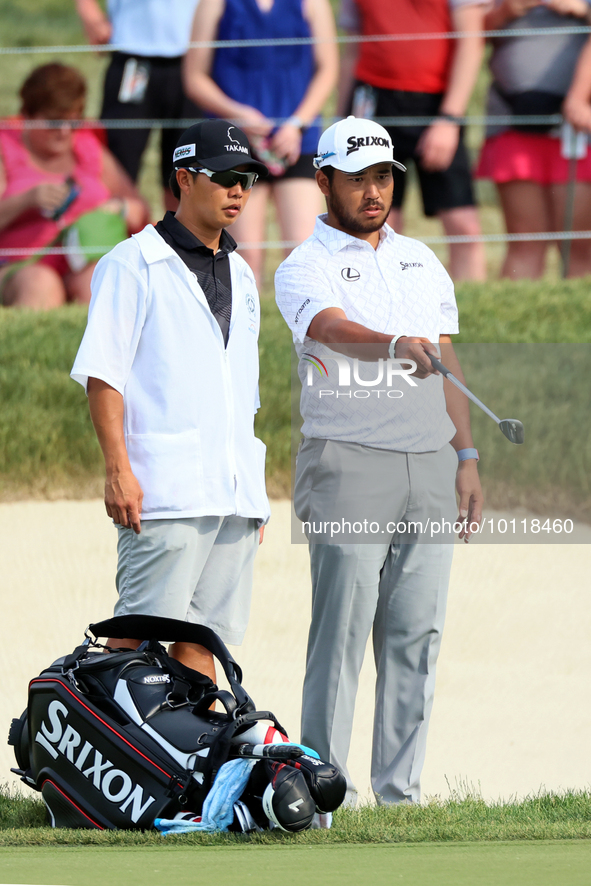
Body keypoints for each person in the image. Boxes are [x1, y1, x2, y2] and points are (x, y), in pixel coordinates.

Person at [275, 116, 483, 806]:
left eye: (384, 176)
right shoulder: (304, 264)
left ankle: (400, 797)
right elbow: (329, 327)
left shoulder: (421, 258)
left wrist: (466, 455)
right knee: (338, 635)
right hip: (348, 462)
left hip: (427, 463)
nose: (373, 190)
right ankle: (324, 798)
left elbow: (445, 357)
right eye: (358, 176)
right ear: (323, 180)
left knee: (414, 635)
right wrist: (394, 342)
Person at [71, 120, 271, 678]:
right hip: (163, 491)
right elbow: (102, 377)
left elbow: (242, 389)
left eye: (248, 179)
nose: (239, 191)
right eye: (226, 177)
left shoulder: (243, 271)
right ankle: (97, 759)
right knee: (135, 641)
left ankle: (189, 765)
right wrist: (117, 472)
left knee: (204, 644)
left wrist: (250, 488)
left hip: (233, 495)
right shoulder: (130, 264)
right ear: (184, 178)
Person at [183, 0, 338, 286]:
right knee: (245, 256)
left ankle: (304, 329)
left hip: (296, 142)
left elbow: (328, 69)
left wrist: (296, 124)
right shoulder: (213, 4)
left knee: (304, 253)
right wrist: (237, 114)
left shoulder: (313, 3)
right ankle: (245, 327)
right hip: (234, 146)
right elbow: (194, 78)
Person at [338, 0, 487, 281]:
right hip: (372, 103)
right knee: (377, 225)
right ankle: (383, 308)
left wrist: (449, 119)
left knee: (463, 226)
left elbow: (471, 42)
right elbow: (352, 50)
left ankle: (467, 311)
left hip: (437, 105)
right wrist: (339, 121)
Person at [0, 63, 149, 309]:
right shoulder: (7, 149)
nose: (65, 132)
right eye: (54, 123)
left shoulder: (88, 148)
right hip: (21, 262)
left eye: (74, 123)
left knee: (98, 281)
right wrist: (28, 199)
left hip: (81, 259)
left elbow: (140, 210)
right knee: (41, 284)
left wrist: (119, 207)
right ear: (27, 116)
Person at [476, 0, 591, 278]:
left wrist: (582, 11)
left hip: (577, 130)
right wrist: (505, 11)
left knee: (580, 245)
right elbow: (465, 36)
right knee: (525, 242)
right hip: (512, 125)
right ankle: (513, 317)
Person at [75, 0, 202, 210]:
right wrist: (89, 12)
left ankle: (181, 242)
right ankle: (115, 238)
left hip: (192, 57)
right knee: (117, 165)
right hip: (134, 56)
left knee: (189, 169)